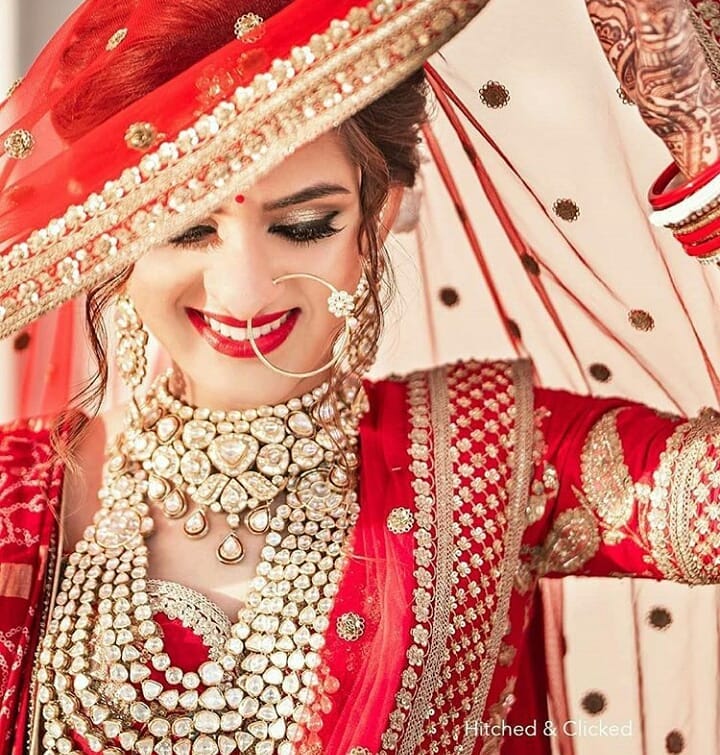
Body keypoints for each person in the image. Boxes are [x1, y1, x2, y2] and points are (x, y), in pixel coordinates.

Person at [1, 1, 720, 754]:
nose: (243, 291)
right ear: (116, 236)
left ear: (381, 214)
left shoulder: (486, 456)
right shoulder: (15, 493)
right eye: (186, 228)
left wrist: (700, 128)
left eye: (305, 225)